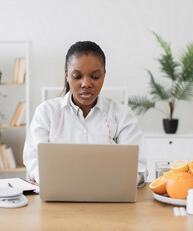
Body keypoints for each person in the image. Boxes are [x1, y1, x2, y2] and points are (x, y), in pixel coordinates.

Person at [23, 41, 147, 186]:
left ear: (104, 75)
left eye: (95, 77)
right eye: (77, 76)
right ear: (67, 75)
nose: (86, 84)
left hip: (110, 199)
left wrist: (117, 182)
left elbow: (138, 167)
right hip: (58, 197)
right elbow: (34, 160)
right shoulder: (47, 112)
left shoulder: (122, 115)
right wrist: (52, 181)